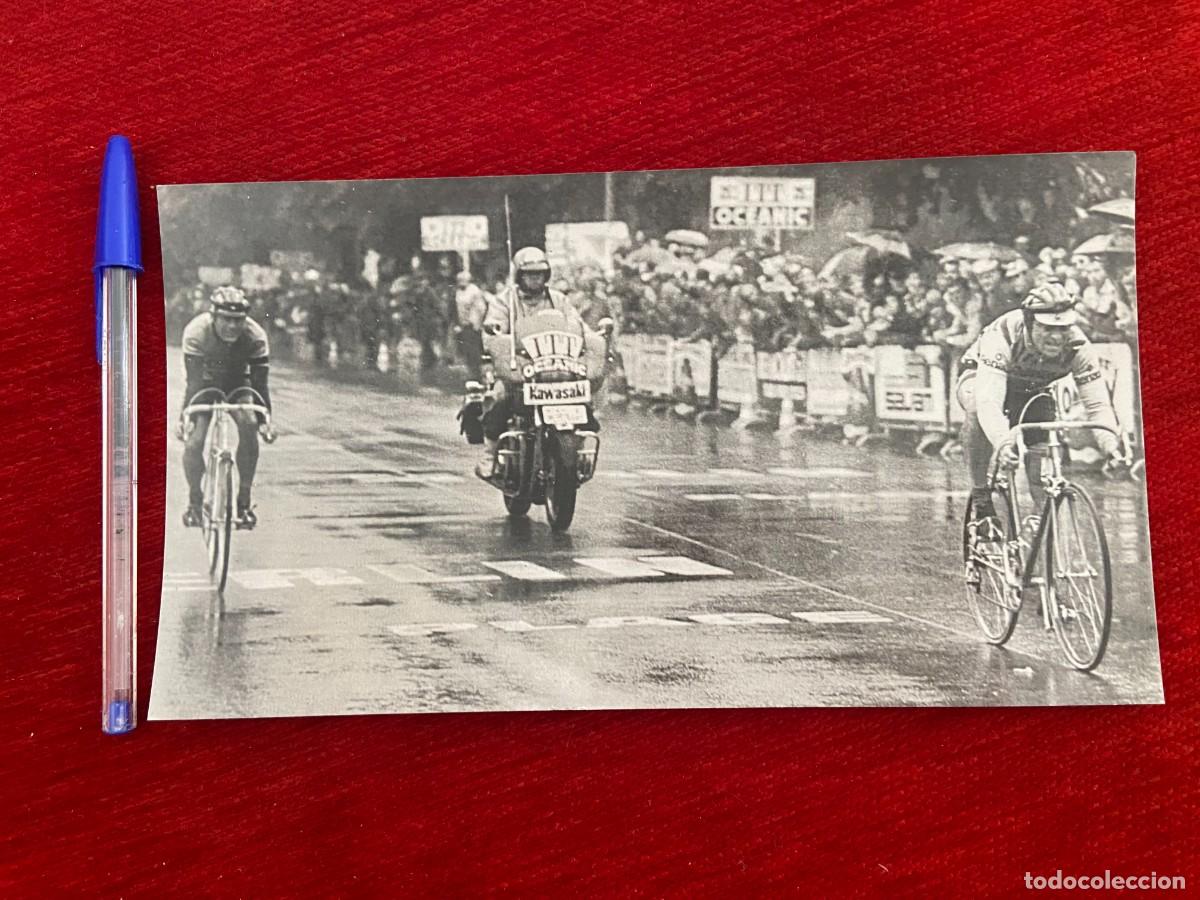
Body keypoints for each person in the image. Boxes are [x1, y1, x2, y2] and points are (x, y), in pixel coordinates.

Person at [955, 281, 1122, 537]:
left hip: (1033, 388)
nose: (1057, 337)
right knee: (977, 410)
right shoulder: (1004, 335)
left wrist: (1112, 445)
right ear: (1030, 323)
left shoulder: (1078, 345)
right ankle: (982, 500)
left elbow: (1098, 404)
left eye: (1063, 328)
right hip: (982, 377)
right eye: (1047, 328)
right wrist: (1002, 442)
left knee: (1040, 474)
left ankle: (1039, 547)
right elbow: (990, 402)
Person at [475, 247, 597, 478]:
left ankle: (579, 448)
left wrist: (592, 337)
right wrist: (497, 335)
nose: (535, 278)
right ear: (519, 276)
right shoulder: (505, 301)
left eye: (540, 273)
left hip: (557, 365)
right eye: (530, 274)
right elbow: (492, 329)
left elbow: (578, 325)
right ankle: (490, 453)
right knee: (501, 397)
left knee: (583, 396)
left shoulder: (559, 299)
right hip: (520, 364)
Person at [178, 286, 275, 529]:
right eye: (227, 320)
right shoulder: (196, 332)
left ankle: (243, 501)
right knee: (194, 442)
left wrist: (265, 422)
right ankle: (195, 501)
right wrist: (185, 417)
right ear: (213, 317)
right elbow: (194, 383)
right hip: (205, 384)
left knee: (249, 423)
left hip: (238, 383)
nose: (233, 327)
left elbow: (260, 384)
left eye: (238, 321)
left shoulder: (255, 336)